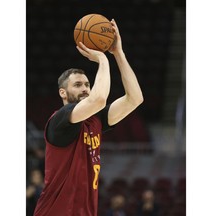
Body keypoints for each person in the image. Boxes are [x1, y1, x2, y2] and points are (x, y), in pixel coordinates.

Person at [33, 19, 144, 216]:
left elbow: (135, 98)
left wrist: (118, 54)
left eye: (87, 84)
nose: (85, 89)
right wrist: (102, 59)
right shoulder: (60, 119)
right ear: (63, 93)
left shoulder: (95, 120)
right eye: (77, 85)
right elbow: (99, 99)